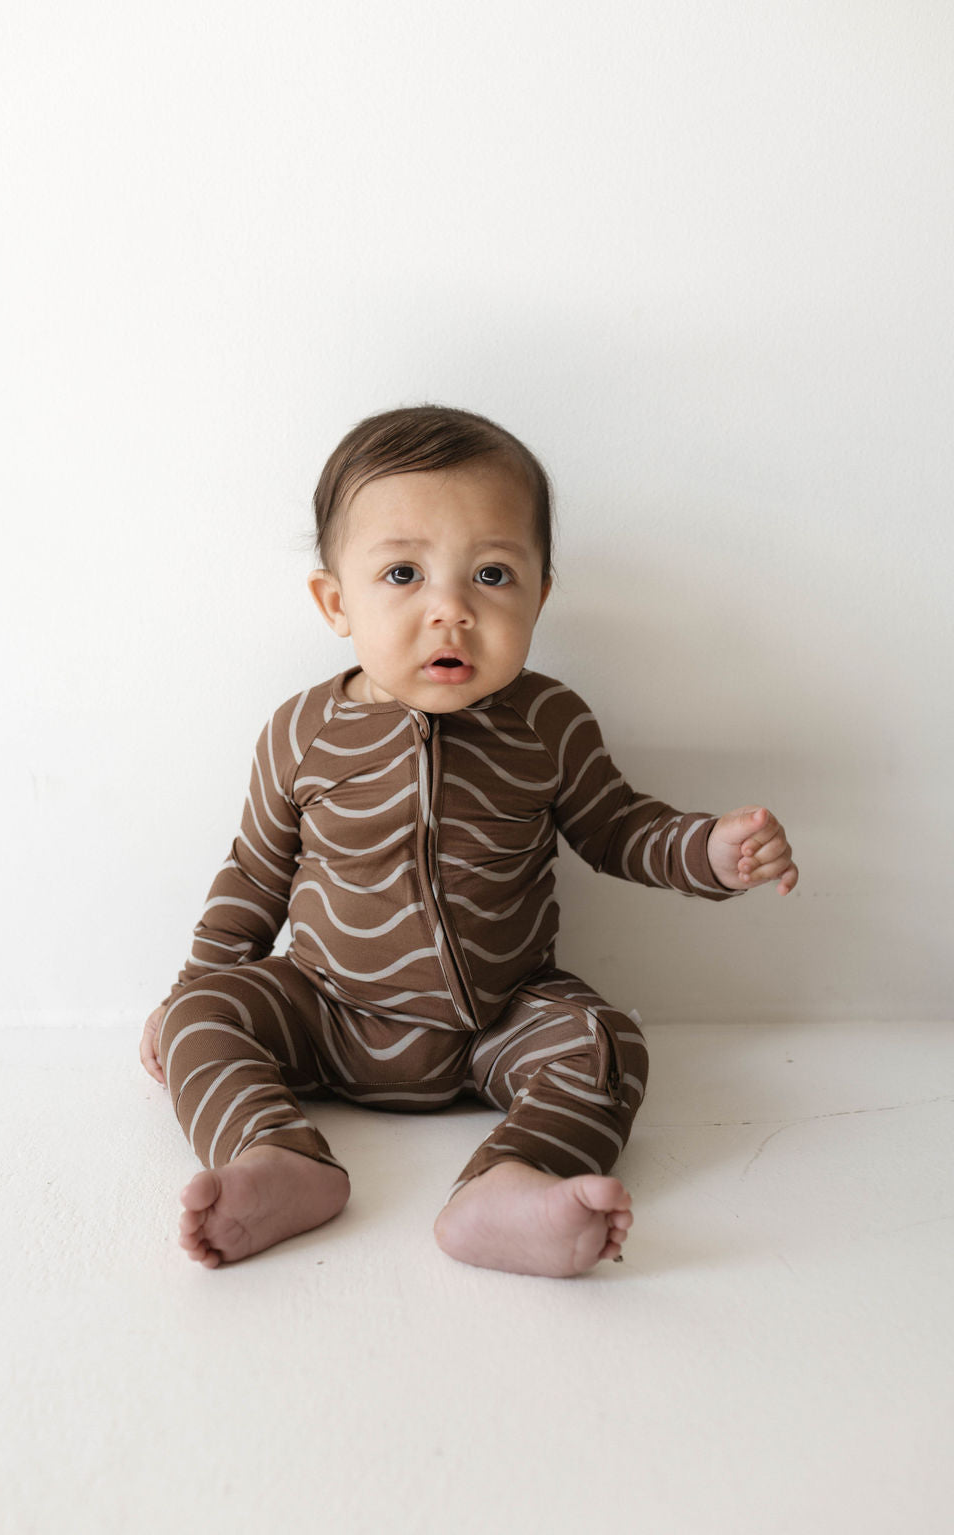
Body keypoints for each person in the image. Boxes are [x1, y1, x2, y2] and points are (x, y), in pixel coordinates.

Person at [139, 404, 798, 1278]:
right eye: (404, 573)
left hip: (500, 1017)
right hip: (327, 1010)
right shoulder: (300, 732)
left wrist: (710, 851)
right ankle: (276, 1158)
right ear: (337, 601)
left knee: (606, 1041)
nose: (449, 610)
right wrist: (193, 987)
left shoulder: (548, 721)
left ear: (540, 594)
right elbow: (255, 876)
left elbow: (617, 826)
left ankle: (510, 1183)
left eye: (491, 574)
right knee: (199, 1016)